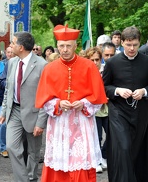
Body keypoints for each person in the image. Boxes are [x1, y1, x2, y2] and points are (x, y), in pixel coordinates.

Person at [35, 25, 107, 182]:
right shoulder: (49, 68)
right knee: (58, 162)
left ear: (75, 45)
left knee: (80, 162)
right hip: (59, 123)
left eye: (68, 45)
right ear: (57, 46)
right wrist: (58, 103)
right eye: (61, 46)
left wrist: (84, 103)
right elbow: (44, 100)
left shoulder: (89, 66)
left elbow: (98, 98)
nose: (65, 49)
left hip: (82, 123)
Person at [102, 26, 148, 182]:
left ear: (139, 43)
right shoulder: (112, 63)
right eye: (128, 45)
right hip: (119, 113)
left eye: (135, 44)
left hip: (141, 113)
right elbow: (104, 87)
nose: (132, 48)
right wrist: (117, 90)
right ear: (122, 43)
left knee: (139, 150)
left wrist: (144, 91)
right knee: (124, 148)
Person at [0, 32, 47, 182]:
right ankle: (23, 180)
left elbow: (46, 96)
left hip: (34, 113)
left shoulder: (42, 65)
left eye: (12, 43)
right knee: (12, 147)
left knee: (33, 151)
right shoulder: (12, 63)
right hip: (14, 111)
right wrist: (4, 110)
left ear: (21, 47)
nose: (10, 46)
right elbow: (8, 89)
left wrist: (41, 122)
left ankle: (31, 178)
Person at [85, 47, 109, 174]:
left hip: (107, 109)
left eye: (97, 59)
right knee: (96, 136)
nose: (95, 62)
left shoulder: (107, 70)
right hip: (94, 110)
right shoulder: (85, 72)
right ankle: (97, 160)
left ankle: (104, 155)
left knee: (112, 134)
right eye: (92, 60)